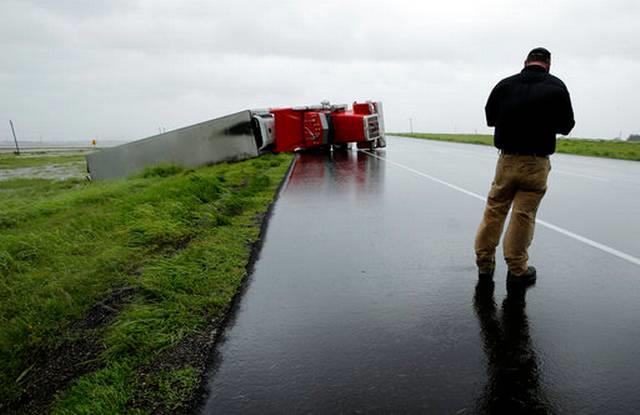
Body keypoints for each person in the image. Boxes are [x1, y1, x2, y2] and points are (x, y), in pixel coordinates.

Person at [475, 47, 575, 283]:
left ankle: (485, 264)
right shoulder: (557, 87)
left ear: (525, 62)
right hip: (536, 162)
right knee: (523, 215)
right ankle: (518, 269)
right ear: (548, 65)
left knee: (494, 210)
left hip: (507, 160)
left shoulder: (504, 85)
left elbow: (490, 118)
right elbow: (566, 126)